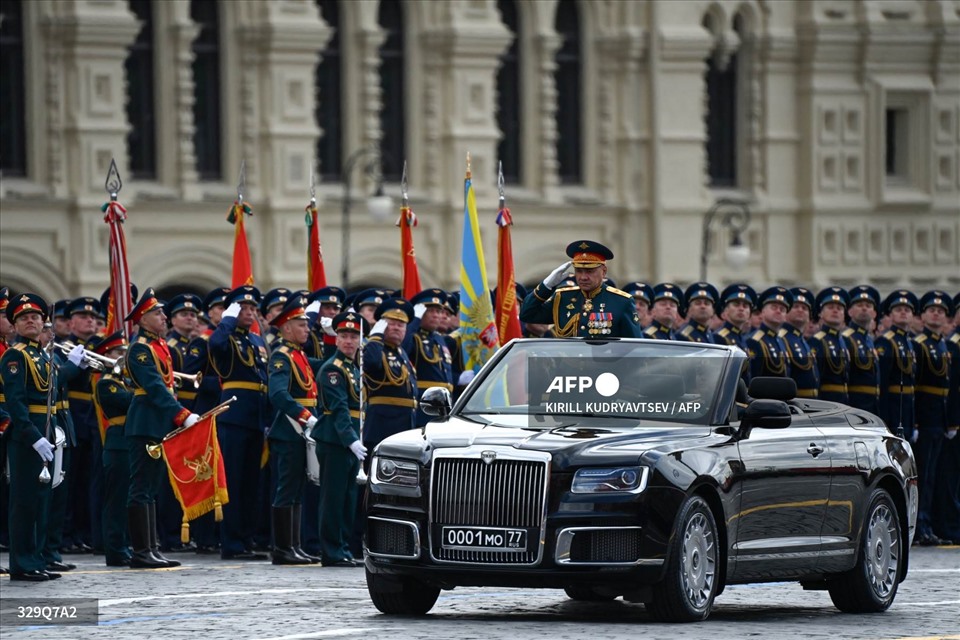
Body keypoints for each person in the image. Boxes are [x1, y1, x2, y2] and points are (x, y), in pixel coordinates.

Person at [124, 288, 198, 569]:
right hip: (145, 422)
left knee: (151, 487)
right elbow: (155, 387)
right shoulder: (140, 348)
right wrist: (182, 415)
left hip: (157, 423)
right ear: (143, 319)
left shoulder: (159, 345)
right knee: (141, 486)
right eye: (157, 313)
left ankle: (151, 548)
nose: (164, 317)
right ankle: (141, 551)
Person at [0, 294, 64, 581]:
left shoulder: (43, 355)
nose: (30, 321)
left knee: (41, 500)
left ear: (43, 323)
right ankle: (22, 563)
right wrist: (33, 436)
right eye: (23, 318)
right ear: (14, 326)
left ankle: (36, 558)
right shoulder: (16, 355)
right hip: (28, 435)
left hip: (46, 430)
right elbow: (16, 401)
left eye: (35, 317)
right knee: (24, 500)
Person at [209, 285, 271, 560]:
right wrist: (227, 320)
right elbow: (215, 346)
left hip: (256, 417)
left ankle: (246, 540)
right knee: (233, 481)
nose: (249, 312)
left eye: (252, 308)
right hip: (234, 417)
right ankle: (231, 543)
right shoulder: (226, 336)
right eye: (243, 308)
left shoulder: (257, 340)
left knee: (251, 484)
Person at [266, 296, 321, 565]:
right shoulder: (282, 355)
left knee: (298, 488)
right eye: (301, 324)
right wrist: (304, 416)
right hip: (290, 429)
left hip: (302, 428)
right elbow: (277, 394)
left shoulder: (299, 354)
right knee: (287, 488)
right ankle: (282, 548)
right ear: (286, 328)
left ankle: (294, 546)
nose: (306, 329)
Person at [315, 311, 366, 567]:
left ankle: (343, 547)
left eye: (353, 336)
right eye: (344, 336)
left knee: (348, 498)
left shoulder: (353, 368)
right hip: (335, 440)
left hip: (350, 439)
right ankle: (331, 550)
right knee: (333, 498)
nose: (348, 341)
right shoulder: (333, 370)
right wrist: (351, 440)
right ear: (336, 339)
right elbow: (339, 409)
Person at [520, 241, 641, 338]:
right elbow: (527, 315)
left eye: (589, 271)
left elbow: (634, 346)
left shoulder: (621, 302)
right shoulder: (563, 298)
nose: (583, 277)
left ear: (604, 271)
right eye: (579, 271)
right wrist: (546, 286)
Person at [912, 291, 952, 546]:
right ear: (923, 316)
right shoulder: (919, 344)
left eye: (941, 312)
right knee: (922, 474)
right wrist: (915, 421)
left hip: (938, 418)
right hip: (925, 418)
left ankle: (926, 525)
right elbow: (915, 387)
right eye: (931, 311)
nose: (936, 314)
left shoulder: (942, 345)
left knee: (931, 477)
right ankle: (918, 526)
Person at [91, 331, 133, 566]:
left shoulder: (124, 382)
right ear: (106, 356)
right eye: (118, 352)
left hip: (129, 443)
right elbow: (130, 402)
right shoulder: (106, 383)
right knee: (116, 500)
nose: (123, 357)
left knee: (127, 499)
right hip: (118, 444)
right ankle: (115, 549)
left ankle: (125, 545)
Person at [362, 298, 418, 453]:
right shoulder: (375, 348)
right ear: (382, 325)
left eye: (401, 325)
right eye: (391, 323)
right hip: (382, 426)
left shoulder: (401, 352)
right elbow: (371, 363)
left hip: (405, 425)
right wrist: (375, 337)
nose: (396, 328)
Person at [404, 289, 454, 428]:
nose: (436, 315)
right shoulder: (414, 336)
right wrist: (414, 322)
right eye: (430, 311)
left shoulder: (439, 338)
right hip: (425, 404)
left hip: (445, 403)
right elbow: (403, 349)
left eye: (438, 311)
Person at [876, 290, 918, 438]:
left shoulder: (910, 343)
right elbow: (883, 383)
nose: (903, 312)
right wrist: (884, 418)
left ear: (912, 316)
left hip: (907, 411)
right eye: (898, 310)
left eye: (907, 310)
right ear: (891, 315)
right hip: (893, 409)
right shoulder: (885, 341)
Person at [844, 286, 881, 415]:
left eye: (868, 306)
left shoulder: (869, 340)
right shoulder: (846, 338)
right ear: (850, 312)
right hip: (855, 406)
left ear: (874, 314)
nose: (864, 308)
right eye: (859, 305)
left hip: (872, 407)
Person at [810, 287, 850, 404]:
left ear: (844, 315)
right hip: (826, 402)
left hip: (844, 402)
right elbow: (816, 378)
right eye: (830, 307)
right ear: (821, 313)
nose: (835, 311)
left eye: (839, 308)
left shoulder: (843, 341)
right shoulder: (817, 341)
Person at [746, 287, 792, 379]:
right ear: (763, 312)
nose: (778, 311)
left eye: (782, 309)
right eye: (774, 307)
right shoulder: (755, 341)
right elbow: (753, 377)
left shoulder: (781, 341)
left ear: (785, 317)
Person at [781, 287, 819, 397]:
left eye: (804, 308)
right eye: (796, 306)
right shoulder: (782, 338)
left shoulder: (802, 340)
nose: (800, 310)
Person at [712, 284, 756, 354]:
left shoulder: (741, 337)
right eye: (736, 305)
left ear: (749, 313)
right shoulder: (719, 337)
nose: (741, 309)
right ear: (726, 311)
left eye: (745, 306)